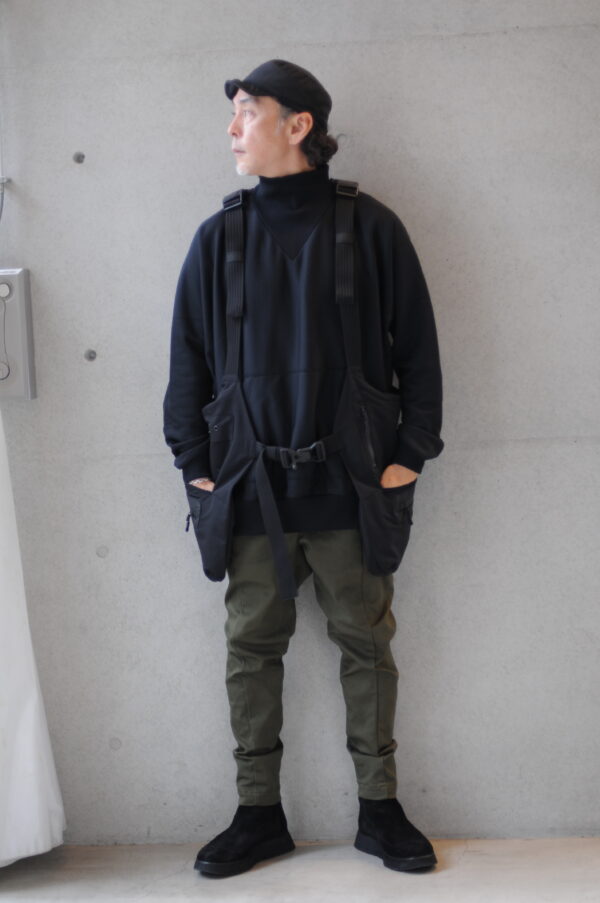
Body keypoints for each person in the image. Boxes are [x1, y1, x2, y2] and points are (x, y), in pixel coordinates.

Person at [163, 59, 444, 878]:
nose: (232, 128)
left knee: (367, 643)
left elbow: (418, 349)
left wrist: (410, 455)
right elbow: (186, 360)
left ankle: (381, 809)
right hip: (249, 486)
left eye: (248, 111)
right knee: (251, 647)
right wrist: (193, 463)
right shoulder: (219, 237)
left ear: (299, 125)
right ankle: (259, 814)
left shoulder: (372, 226)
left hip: (354, 484)